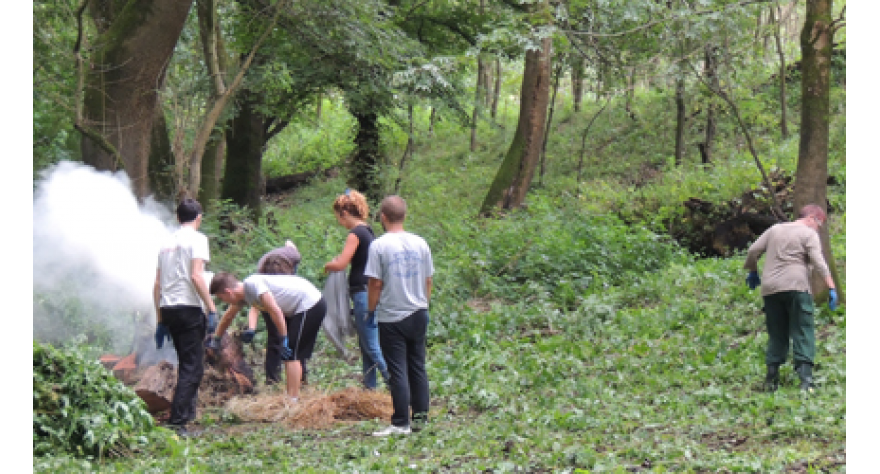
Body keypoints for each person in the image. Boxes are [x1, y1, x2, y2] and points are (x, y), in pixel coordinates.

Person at [744, 203, 838, 393]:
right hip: (797, 286)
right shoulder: (808, 234)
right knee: (803, 329)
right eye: (819, 224)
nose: (818, 228)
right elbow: (818, 260)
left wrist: (753, 271)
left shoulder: (775, 229)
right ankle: (806, 380)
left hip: (771, 288)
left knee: (777, 331)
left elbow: (753, 251)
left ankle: (771, 378)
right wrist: (831, 287)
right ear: (811, 217)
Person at [364, 195, 434, 436]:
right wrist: (424, 304)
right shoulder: (421, 243)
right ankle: (421, 418)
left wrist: (370, 311)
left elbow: (374, 283)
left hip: (392, 316)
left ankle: (400, 422)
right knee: (417, 366)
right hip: (419, 311)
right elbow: (428, 280)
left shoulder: (379, 246)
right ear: (404, 215)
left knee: (397, 369)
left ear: (383, 217)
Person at [153, 198, 218, 436]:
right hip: (188, 308)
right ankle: (178, 422)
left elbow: (157, 284)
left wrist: (159, 320)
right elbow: (197, 277)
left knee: (185, 363)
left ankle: (186, 415)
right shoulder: (198, 239)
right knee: (193, 367)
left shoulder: (166, 242)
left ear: (178, 218)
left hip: (168, 308)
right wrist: (211, 308)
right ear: (198, 217)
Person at [208, 271, 326, 401]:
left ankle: (293, 400)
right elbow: (228, 316)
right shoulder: (244, 295)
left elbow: (275, 311)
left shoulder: (253, 284)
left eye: (221, 298)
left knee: (292, 354)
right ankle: (291, 396)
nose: (223, 301)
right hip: (298, 308)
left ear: (228, 292)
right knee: (289, 355)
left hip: (310, 303)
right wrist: (216, 339)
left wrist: (283, 338)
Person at [324, 189, 389, 390]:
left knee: (370, 344)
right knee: (366, 343)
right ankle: (370, 387)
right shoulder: (369, 231)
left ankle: (394, 382)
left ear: (344, 213)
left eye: (338, 217)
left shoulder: (355, 234)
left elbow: (342, 263)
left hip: (362, 293)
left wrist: (329, 265)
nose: (339, 222)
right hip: (370, 291)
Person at [241, 240, 304, 386]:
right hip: (268, 300)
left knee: (295, 337)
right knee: (275, 337)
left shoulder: (292, 256)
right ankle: (272, 379)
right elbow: (256, 305)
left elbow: (290, 243)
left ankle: (301, 377)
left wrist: (295, 269)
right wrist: (251, 328)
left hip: (292, 295)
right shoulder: (261, 275)